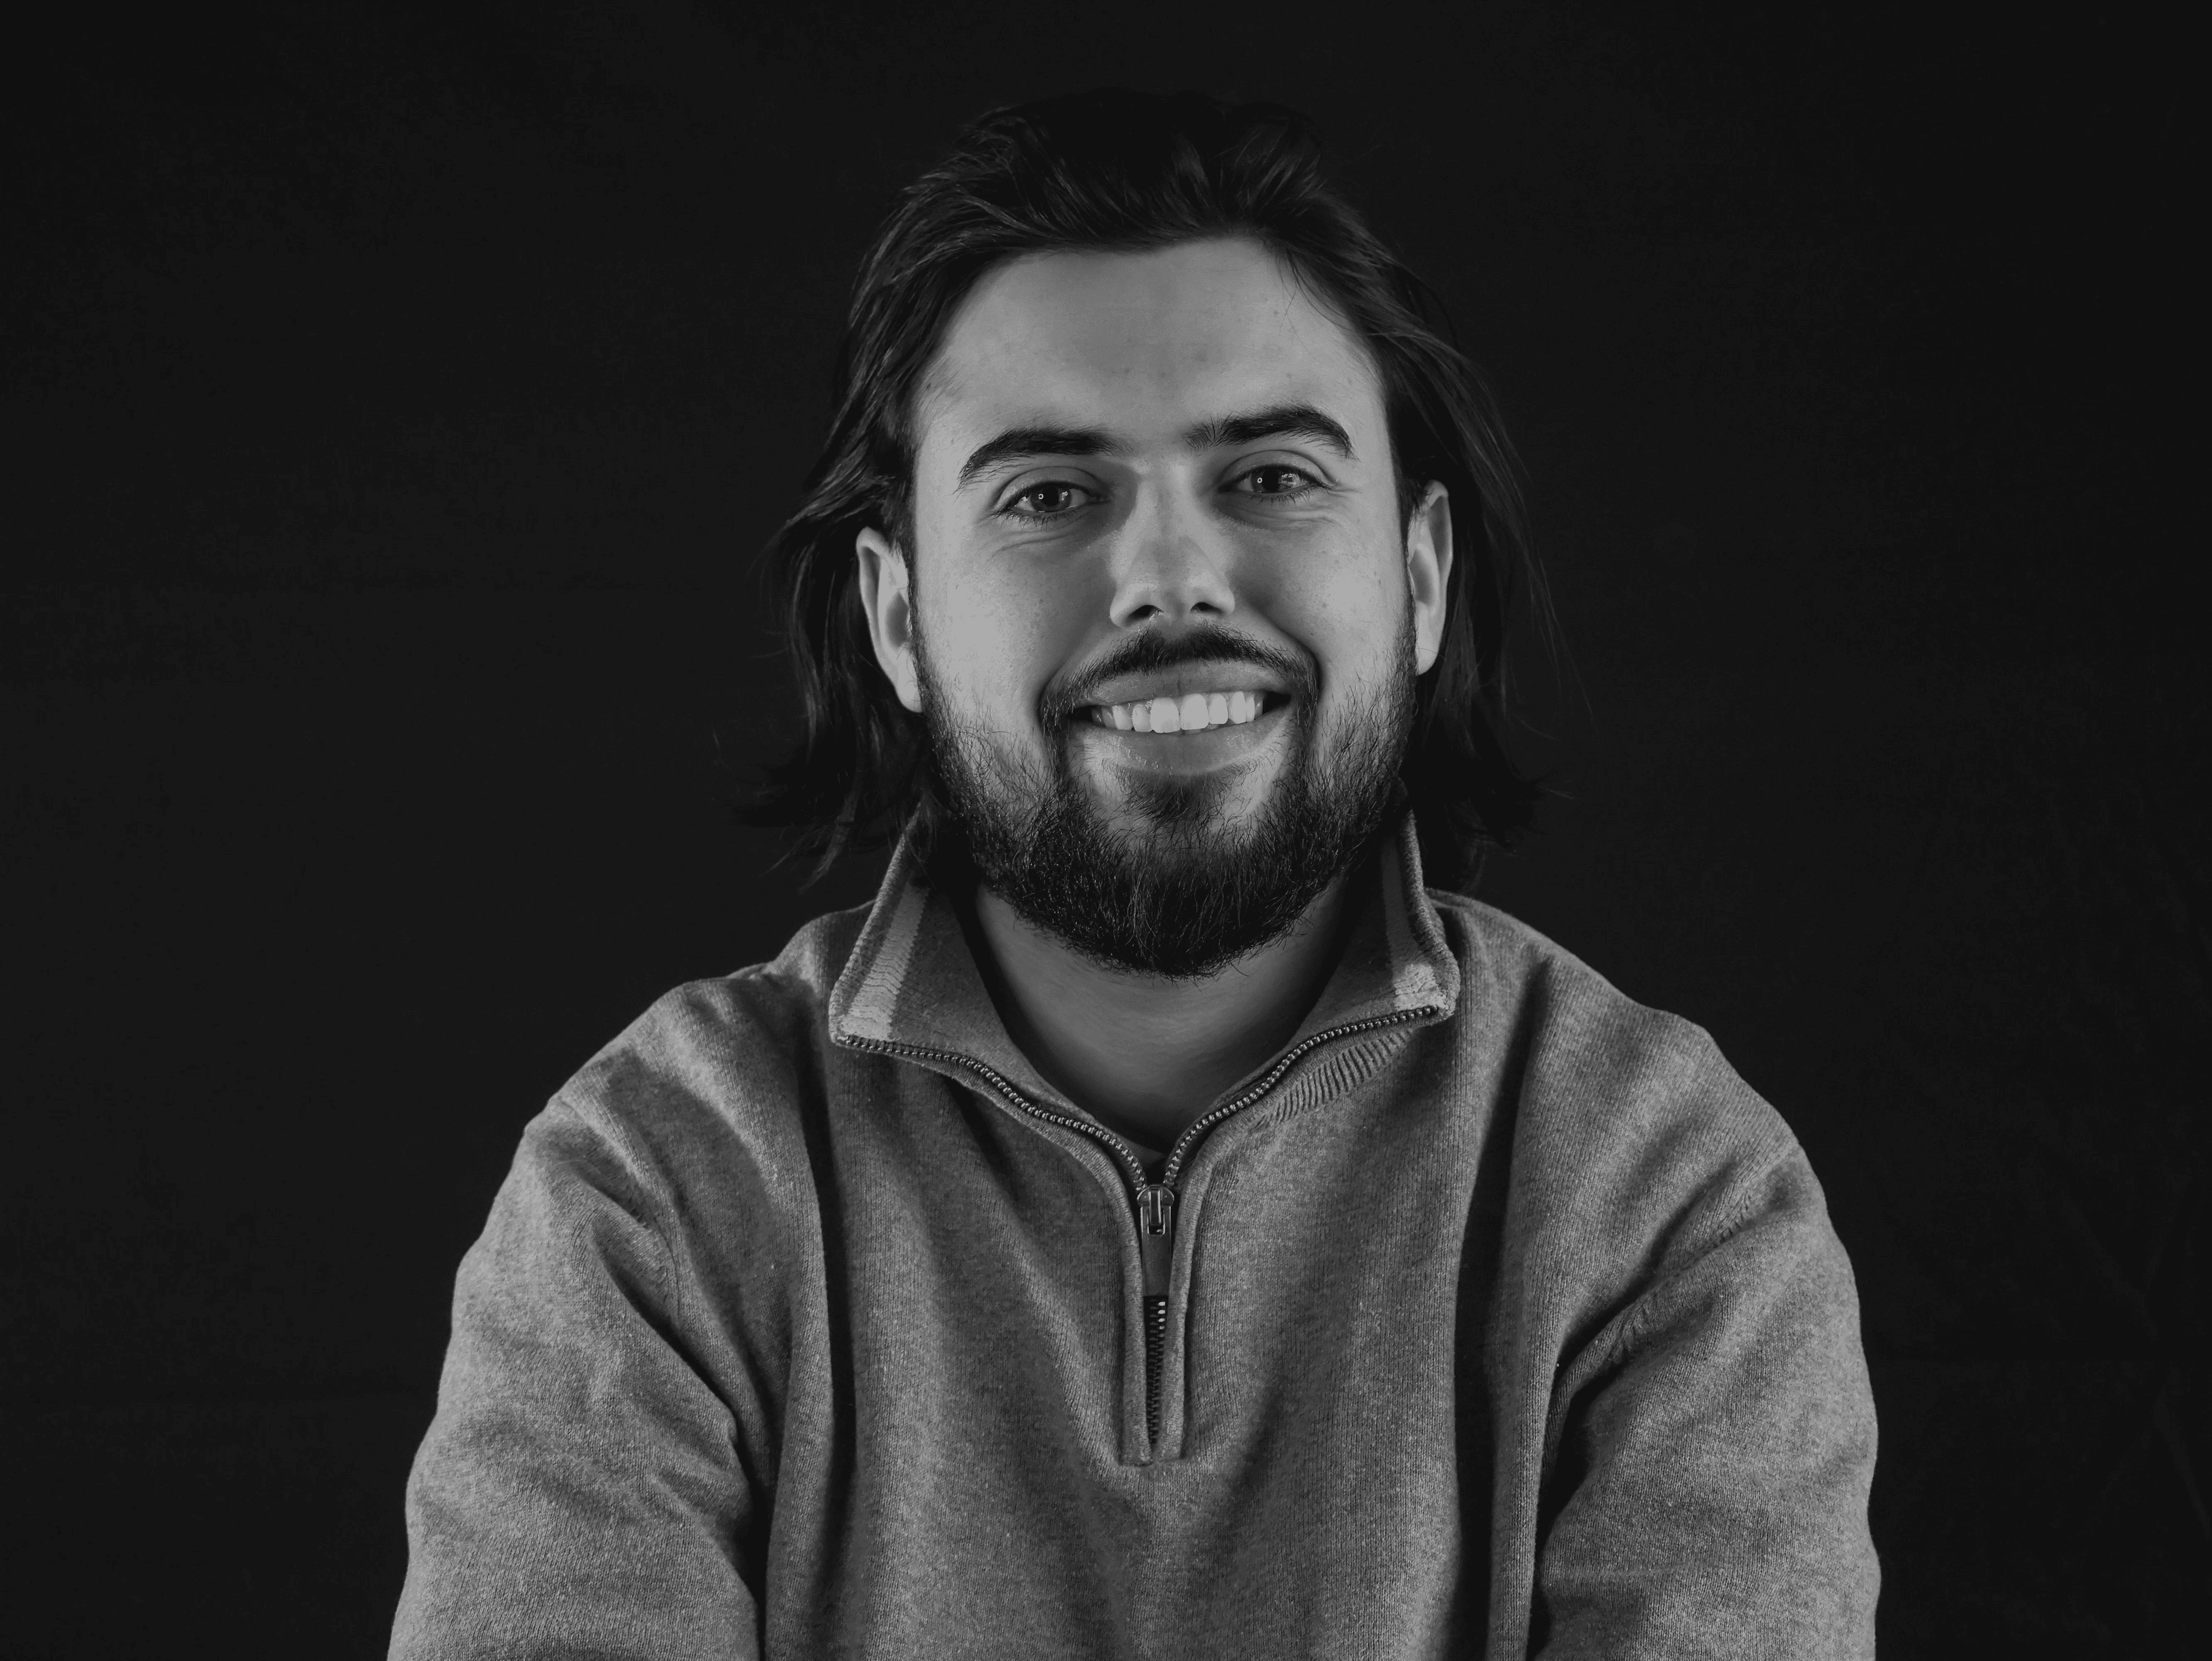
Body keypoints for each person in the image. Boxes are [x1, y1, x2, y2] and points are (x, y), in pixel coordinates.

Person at [391, 89, 1879, 1659]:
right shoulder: (652, 1198)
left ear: (1424, 578)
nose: (1170, 575)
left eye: (1271, 478)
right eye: (1050, 496)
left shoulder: (1664, 1195)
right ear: (896, 617)